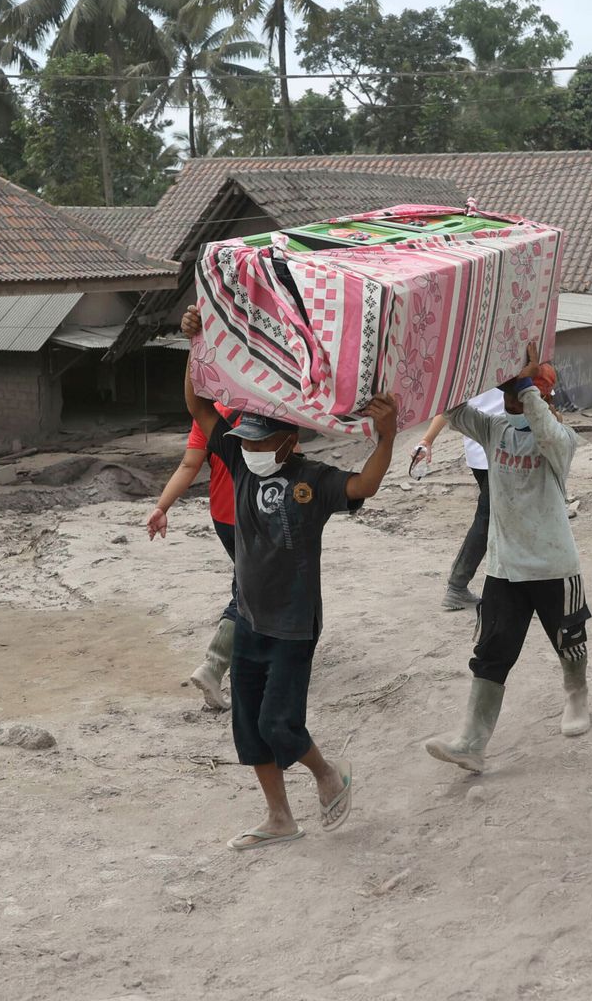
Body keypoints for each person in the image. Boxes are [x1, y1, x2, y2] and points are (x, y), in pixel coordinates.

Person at [179, 303, 397, 851]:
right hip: (250, 619)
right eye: (247, 440)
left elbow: (364, 486)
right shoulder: (236, 458)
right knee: (249, 729)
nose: (251, 448)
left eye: (261, 441)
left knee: (280, 724)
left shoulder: (313, 480)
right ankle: (279, 818)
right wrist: (195, 343)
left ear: (289, 442)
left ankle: (328, 774)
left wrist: (387, 437)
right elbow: (198, 404)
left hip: (294, 625)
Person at [426, 345, 592, 773]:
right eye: (506, 391)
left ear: (541, 394)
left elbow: (546, 432)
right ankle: (472, 742)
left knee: (569, 641)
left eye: (518, 392)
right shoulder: (495, 429)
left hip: (554, 565)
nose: (510, 399)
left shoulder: (561, 440)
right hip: (504, 567)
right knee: (491, 651)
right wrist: (458, 364)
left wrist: (527, 385)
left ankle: (576, 694)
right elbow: (454, 411)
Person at [147, 399, 243, 711]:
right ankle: (214, 666)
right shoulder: (268, 402)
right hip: (259, 514)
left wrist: (162, 507)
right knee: (250, 589)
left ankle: (247, 660)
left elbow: (189, 465)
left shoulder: (212, 411)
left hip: (224, 516)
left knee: (257, 584)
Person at [411, 386, 508, 611]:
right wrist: (427, 440)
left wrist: (427, 439)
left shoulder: (470, 368)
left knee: (498, 518)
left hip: (478, 451)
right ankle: (457, 585)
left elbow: (448, 404)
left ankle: (505, 586)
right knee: (489, 518)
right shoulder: (515, 366)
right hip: (503, 449)